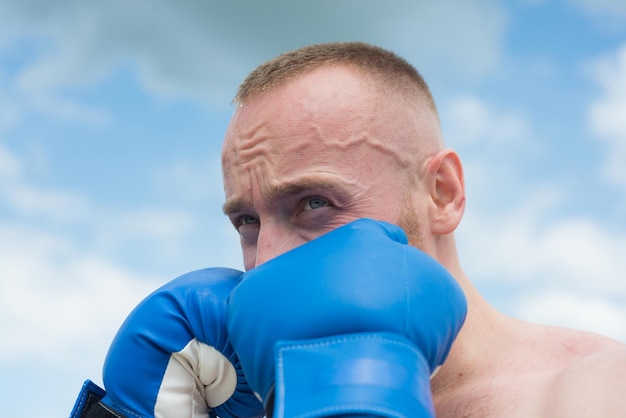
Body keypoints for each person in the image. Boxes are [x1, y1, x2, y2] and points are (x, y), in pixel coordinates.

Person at [219, 42, 626, 417]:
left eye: (314, 203)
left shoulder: (593, 392)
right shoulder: (239, 398)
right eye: (248, 222)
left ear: (442, 194)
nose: (264, 261)